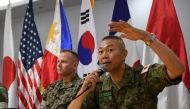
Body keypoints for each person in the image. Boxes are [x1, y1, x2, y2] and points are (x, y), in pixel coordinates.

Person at [68, 20, 185, 109]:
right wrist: (83, 91)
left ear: (124, 54)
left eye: (110, 50)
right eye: (100, 52)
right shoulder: (98, 86)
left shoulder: (144, 77)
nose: (104, 56)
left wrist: (146, 37)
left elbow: (177, 69)